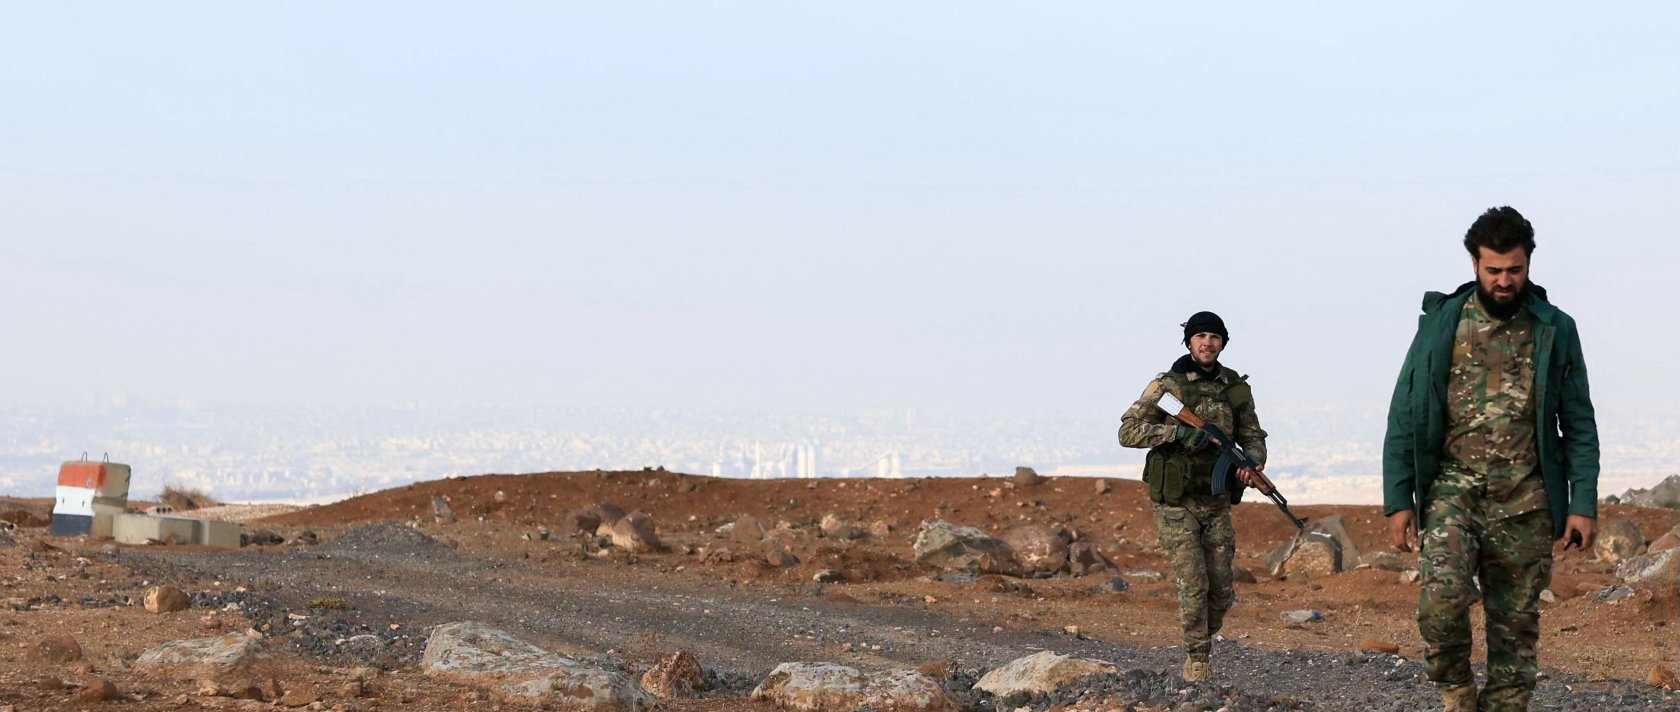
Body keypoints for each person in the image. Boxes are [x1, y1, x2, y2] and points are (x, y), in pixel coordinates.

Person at [1382, 206, 1600, 711]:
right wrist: (1399, 498)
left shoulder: (1554, 329)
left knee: (1515, 630)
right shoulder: (1441, 325)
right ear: (1475, 265)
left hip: (1527, 500)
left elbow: (1579, 421)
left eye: (1515, 270)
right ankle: (1456, 691)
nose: (1505, 281)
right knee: (1441, 602)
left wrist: (1582, 502)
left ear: (1529, 264)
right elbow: (1405, 412)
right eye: (1494, 270)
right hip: (1452, 493)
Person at [1118, 311, 1268, 682]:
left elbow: (1252, 435)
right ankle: (1197, 658)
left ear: (1223, 343)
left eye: (1214, 337)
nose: (1207, 343)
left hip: (1216, 501)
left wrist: (1252, 464)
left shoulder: (1235, 388)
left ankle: (1203, 635)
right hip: (1175, 500)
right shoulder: (1167, 386)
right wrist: (1177, 436)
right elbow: (1128, 430)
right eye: (1200, 336)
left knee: (1221, 590)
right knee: (1193, 580)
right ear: (1189, 342)